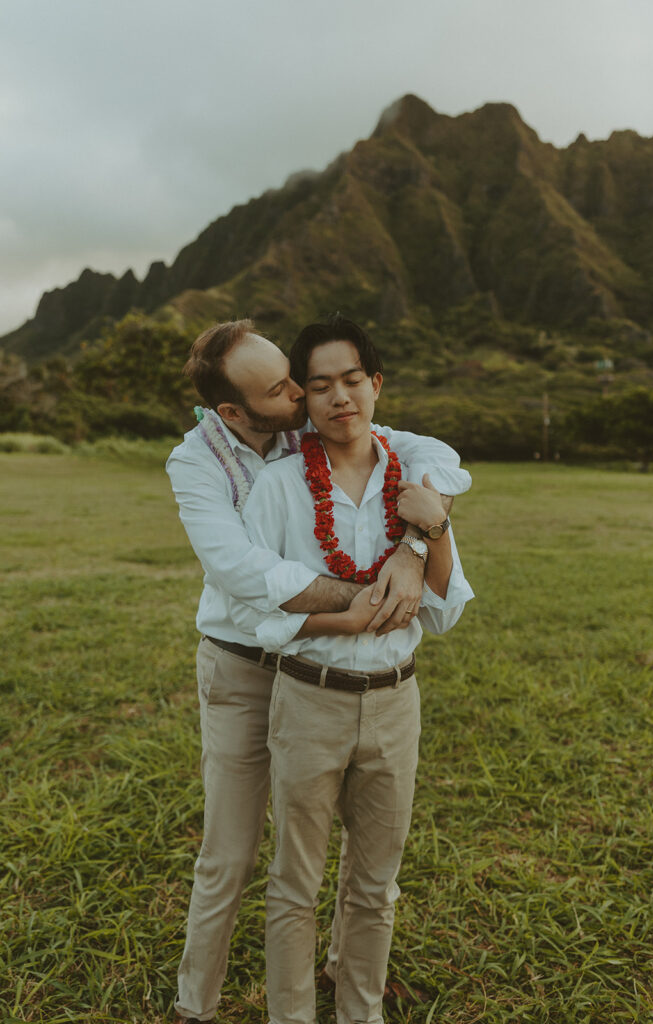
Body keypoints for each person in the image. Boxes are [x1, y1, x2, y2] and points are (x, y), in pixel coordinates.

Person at [166, 318, 472, 1024]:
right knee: (235, 852)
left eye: (296, 377)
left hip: (352, 674)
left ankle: (348, 976)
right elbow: (246, 581)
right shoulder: (202, 464)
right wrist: (374, 603)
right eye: (289, 387)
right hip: (248, 664)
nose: (308, 395)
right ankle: (196, 1005)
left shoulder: (328, 432)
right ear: (237, 412)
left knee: (370, 861)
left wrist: (418, 538)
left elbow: (432, 455)